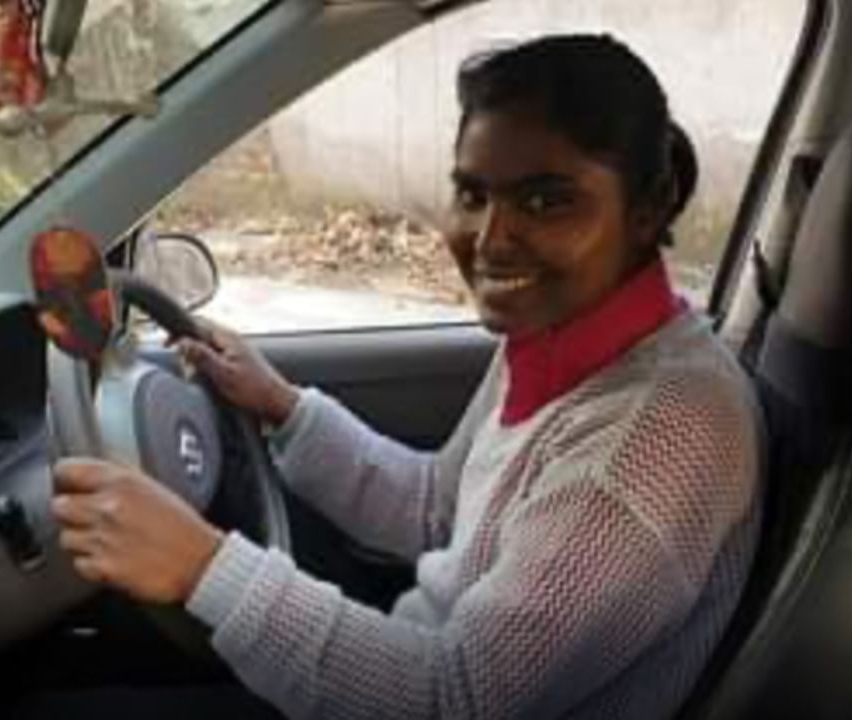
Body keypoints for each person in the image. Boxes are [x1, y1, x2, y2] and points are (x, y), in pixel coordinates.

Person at [46, 34, 763, 719]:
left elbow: (452, 701)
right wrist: (285, 408)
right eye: (474, 194)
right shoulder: (554, 340)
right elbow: (437, 513)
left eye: (547, 200)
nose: (490, 239)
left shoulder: (659, 432)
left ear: (646, 211)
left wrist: (202, 566)